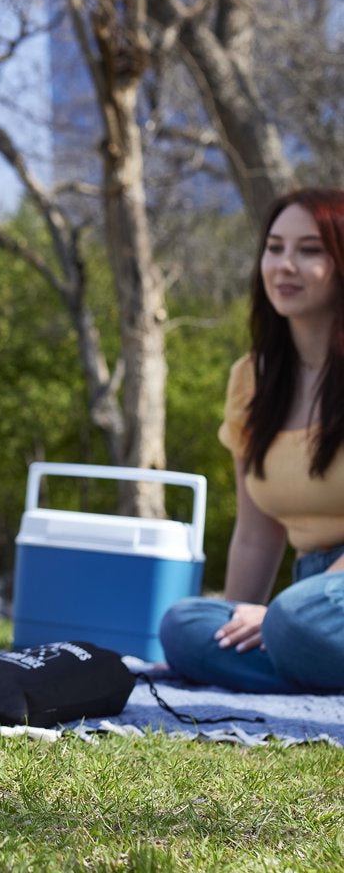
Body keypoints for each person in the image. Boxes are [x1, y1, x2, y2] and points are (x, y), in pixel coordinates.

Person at [159, 188, 344, 693]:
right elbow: (256, 533)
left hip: (319, 605)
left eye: (310, 250)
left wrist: (289, 616)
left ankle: (299, 656)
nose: (284, 264)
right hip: (312, 602)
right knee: (183, 626)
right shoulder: (251, 379)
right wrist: (233, 620)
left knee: (293, 621)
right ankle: (309, 669)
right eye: (274, 247)